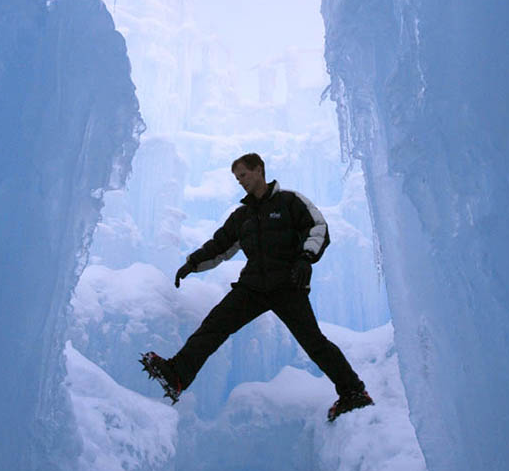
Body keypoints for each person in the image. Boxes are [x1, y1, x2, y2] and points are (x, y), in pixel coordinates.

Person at [140, 153, 373, 422]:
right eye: (237, 178)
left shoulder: (289, 202)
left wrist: (306, 259)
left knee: (314, 342)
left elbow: (318, 228)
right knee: (214, 326)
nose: (240, 181)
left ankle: (354, 391)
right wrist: (192, 263)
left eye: (244, 175)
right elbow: (220, 246)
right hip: (252, 287)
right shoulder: (243, 216)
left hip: (288, 286)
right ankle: (177, 375)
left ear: (259, 170)